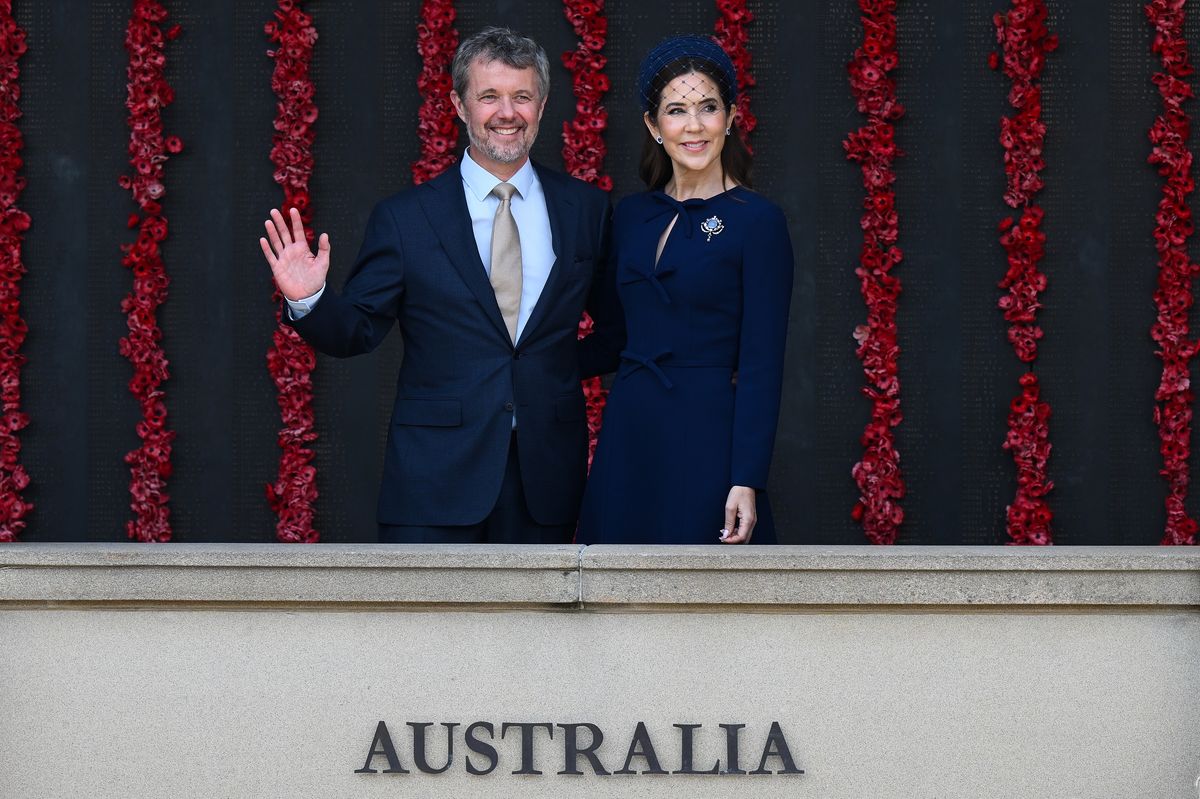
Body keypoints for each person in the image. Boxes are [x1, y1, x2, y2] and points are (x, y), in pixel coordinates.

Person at [259, 27, 614, 544]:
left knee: (537, 628)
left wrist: (546, 372)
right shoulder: (406, 219)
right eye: (489, 96)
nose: (507, 113)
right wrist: (307, 299)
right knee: (426, 630)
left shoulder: (586, 211)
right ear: (459, 104)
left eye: (522, 96)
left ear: (542, 104)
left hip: (547, 481)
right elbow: (356, 331)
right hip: (432, 485)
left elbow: (616, 333)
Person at [577, 35, 794, 545]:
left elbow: (763, 363)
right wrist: (524, 363)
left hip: (708, 438)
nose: (693, 126)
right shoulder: (630, 216)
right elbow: (612, 339)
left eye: (708, 108)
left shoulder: (758, 222)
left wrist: (747, 479)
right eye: (676, 110)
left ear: (732, 116)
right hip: (629, 435)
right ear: (654, 125)